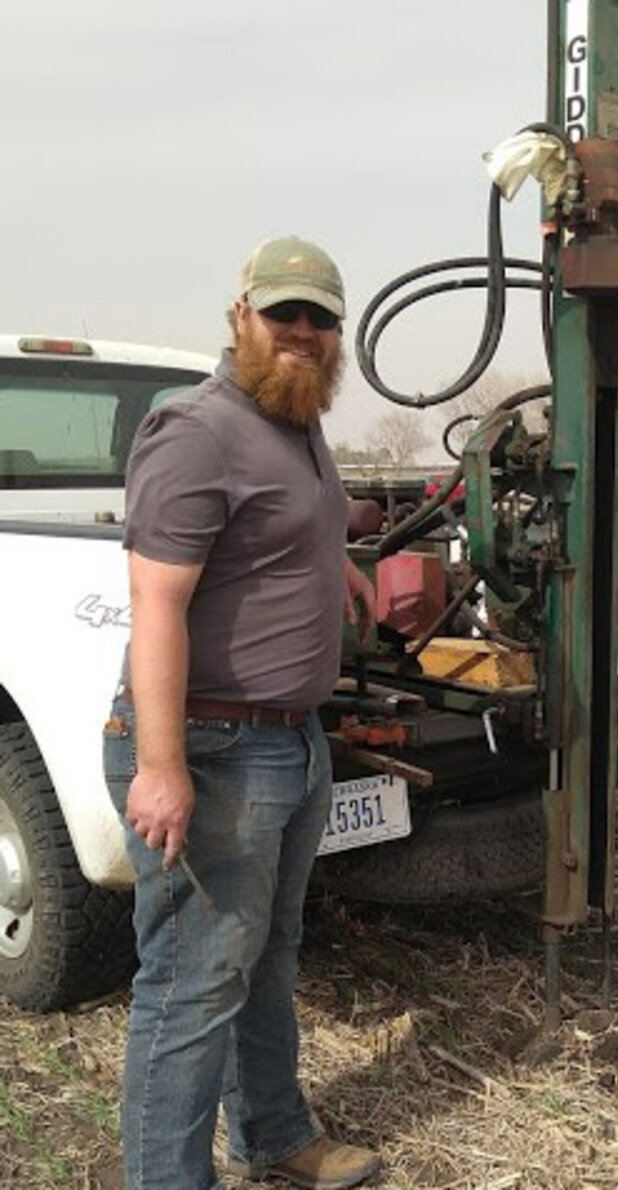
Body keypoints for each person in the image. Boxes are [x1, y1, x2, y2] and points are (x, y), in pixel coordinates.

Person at [103, 236, 381, 1190]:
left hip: (290, 742)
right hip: (215, 744)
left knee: (264, 960)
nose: (303, 332)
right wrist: (163, 764)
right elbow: (159, 605)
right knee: (192, 985)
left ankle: (271, 1133)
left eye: (321, 318)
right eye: (285, 313)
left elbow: (273, 535)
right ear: (242, 315)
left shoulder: (296, 421)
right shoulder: (198, 429)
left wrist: (333, 570)